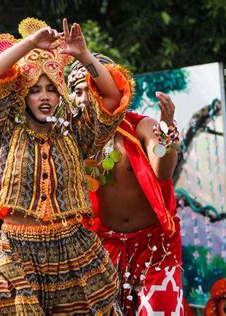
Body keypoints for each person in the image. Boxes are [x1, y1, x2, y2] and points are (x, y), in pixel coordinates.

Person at [0, 17, 133, 315]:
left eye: (50, 89)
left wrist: (84, 56)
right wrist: (28, 44)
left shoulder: (75, 132)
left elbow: (112, 96)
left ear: (60, 93)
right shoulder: (4, 131)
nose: (44, 97)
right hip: (16, 252)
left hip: (72, 251)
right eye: (36, 90)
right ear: (23, 95)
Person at [67, 55, 183, 315]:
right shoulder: (71, 141)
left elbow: (163, 170)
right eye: (77, 91)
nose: (84, 98)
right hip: (105, 249)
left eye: (92, 89)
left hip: (155, 247)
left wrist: (167, 132)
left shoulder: (141, 126)